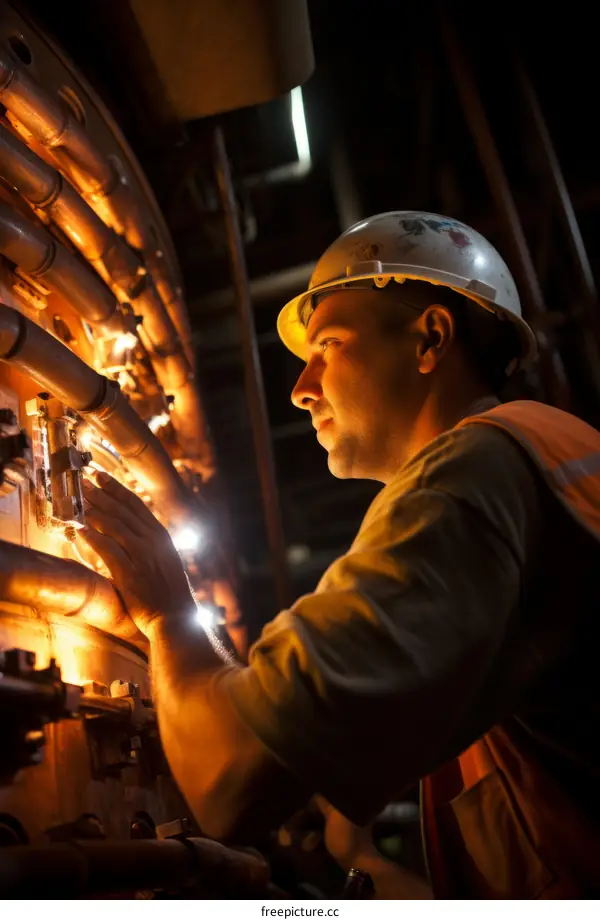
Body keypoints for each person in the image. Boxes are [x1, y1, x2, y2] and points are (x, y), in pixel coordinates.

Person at [80, 212, 600, 898]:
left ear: (430, 338)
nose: (302, 387)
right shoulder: (554, 448)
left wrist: (170, 615)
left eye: (329, 344)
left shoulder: (475, 474)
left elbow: (229, 781)